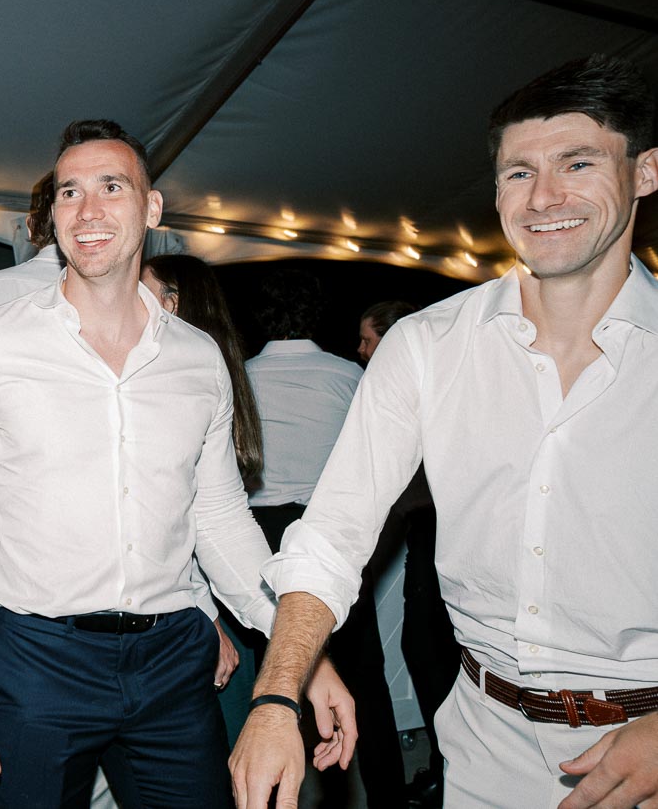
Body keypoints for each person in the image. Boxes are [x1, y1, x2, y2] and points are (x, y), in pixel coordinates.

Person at [230, 55, 658, 808]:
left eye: (578, 163)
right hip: (485, 745)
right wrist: (275, 699)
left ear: (645, 173)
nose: (544, 196)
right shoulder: (427, 346)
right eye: (518, 173)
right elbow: (332, 536)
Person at [0, 121, 354, 806]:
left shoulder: (199, 358)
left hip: (174, 662)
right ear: (50, 217)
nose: (89, 210)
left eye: (112, 187)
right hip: (38, 661)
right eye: (70, 192)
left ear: (152, 207)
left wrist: (293, 649)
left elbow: (222, 518)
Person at [244, 270, 405, 807]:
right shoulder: (348, 376)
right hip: (333, 533)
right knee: (364, 676)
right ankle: (387, 797)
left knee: (273, 674)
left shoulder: (239, 377)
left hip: (262, 536)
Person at [140, 253, 257, 743]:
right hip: (218, 594)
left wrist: (204, 613)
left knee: (217, 752)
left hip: (209, 594)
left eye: (140, 292)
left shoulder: (192, 380)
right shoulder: (227, 369)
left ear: (172, 304)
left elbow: (192, 520)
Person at [358, 300, 458, 808]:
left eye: (369, 340)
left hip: (441, 533)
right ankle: (444, 768)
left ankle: (449, 771)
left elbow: (430, 481)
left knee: (432, 652)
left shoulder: (430, 386)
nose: (361, 350)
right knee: (426, 652)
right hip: (424, 532)